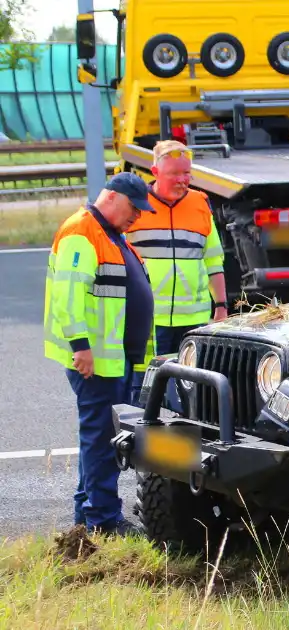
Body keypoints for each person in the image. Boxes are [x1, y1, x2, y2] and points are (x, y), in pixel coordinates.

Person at [44, 172, 156, 535]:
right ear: (112, 197)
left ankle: (87, 513)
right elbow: (68, 299)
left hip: (111, 359)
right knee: (103, 439)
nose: (137, 217)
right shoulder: (82, 232)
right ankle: (104, 520)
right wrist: (81, 347)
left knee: (99, 437)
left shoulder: (108, 234)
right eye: (133, 209)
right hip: (95, 361)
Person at [127, 139, 228, 358]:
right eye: (174, 174)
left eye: (186, 173)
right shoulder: (135, 206)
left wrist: (221, 306)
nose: (182, 180)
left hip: (194, 320)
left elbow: (213, 261)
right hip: (149, 318)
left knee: (190, 385)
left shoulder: (200, 204)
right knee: (148, 384)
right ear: (155, 172)